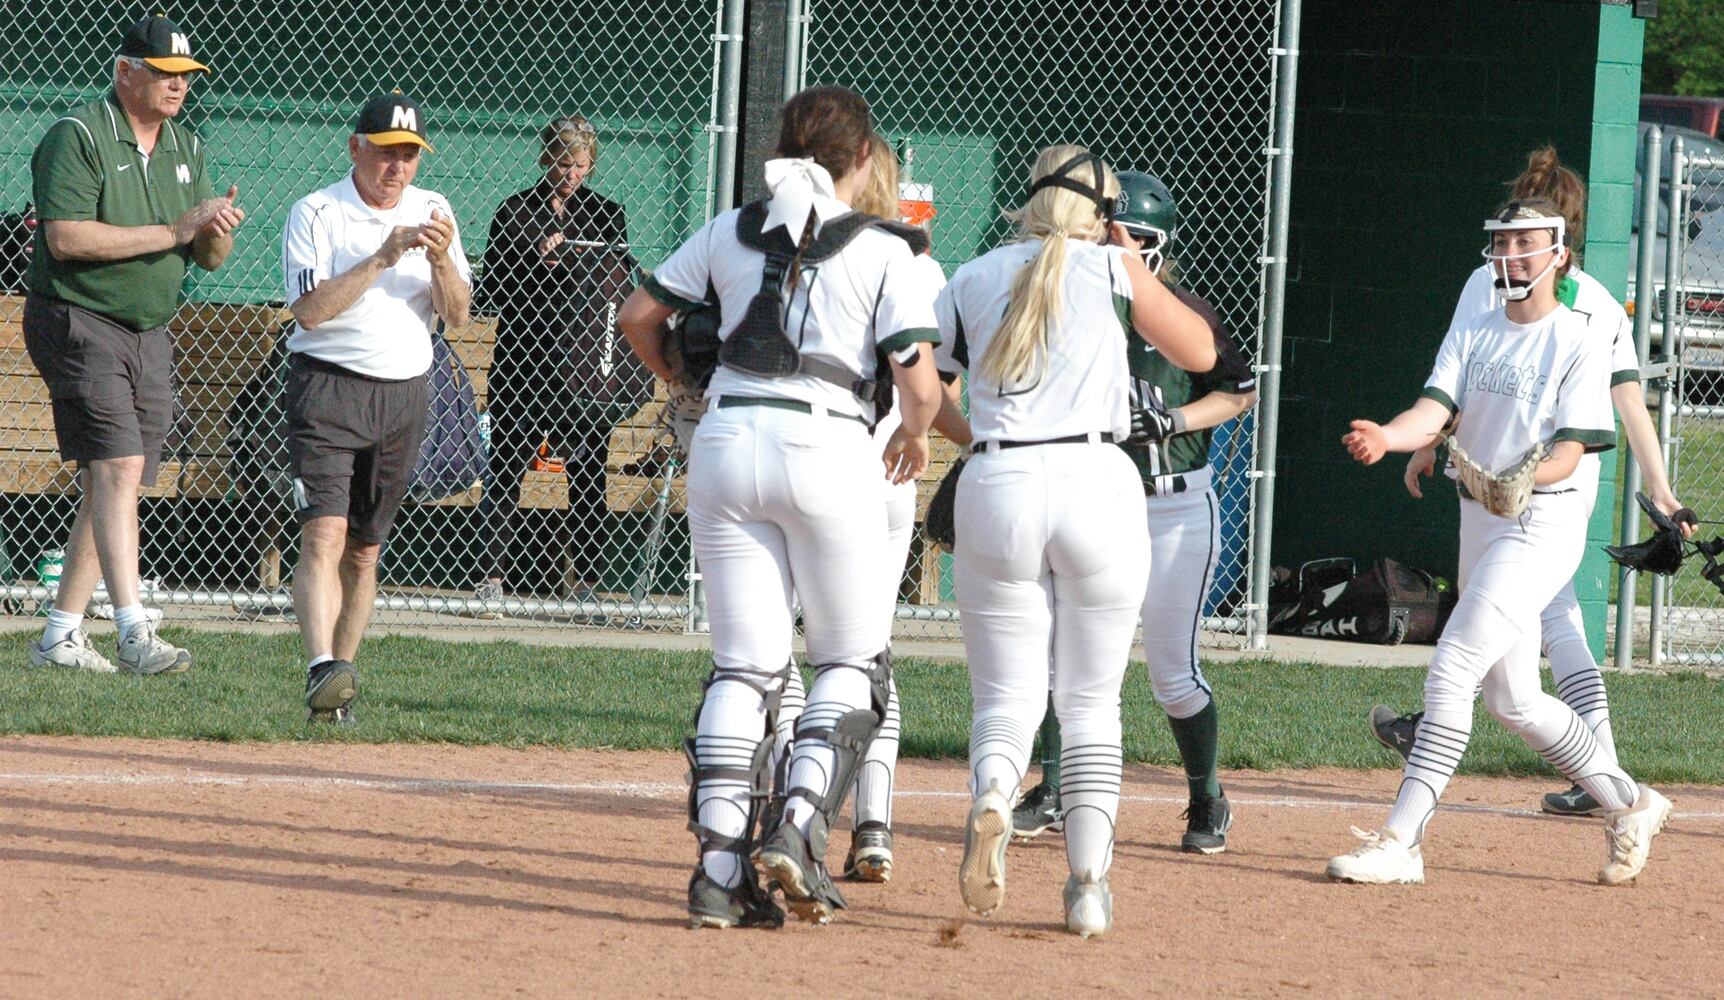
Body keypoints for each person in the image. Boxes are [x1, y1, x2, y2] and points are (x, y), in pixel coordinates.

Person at [616, 86, 943, 929]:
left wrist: (683, 378)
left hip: (725, 441)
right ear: (862, 159)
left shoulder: (732, 226)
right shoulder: (886, 248)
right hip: (828, 444)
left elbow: (639, 315)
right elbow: (914, 376)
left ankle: (719, 875)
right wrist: (914, 433)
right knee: (850, 663)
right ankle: (797, 828)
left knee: (746, 669)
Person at [1328, 199, 1671, 887]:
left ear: (1559, 253)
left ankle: (1402, 840)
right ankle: (1631, 804)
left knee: (1453, 664)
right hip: (1481, 516)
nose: (1512, 254)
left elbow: (1573, 452)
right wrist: (1390, 438)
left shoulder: (1578, 334)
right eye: (1503, 242)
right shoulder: (1478, 321)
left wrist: (1523, 476)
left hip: (1542, 519)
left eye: (1527, 242)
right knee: (1511, 699)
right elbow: (1433, 410)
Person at [935, 146, 1215, 938]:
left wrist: (975, 438)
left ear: (1028, 201)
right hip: (1097, 478)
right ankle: (1088, 886)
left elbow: (925, 390)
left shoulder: (975, 274)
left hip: (999, 482)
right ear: (1105, 213)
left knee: (1006, 696)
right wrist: (1131, 262)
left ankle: (994, 793)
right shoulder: (1114, 270)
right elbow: (1201, 351)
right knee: (1090, 701)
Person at [1011, 171, 1257, 855]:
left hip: (1175, 508)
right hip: (1095, 503)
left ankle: (1207, 798)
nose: (1124, 248)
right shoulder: (1073, 304)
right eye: (1115, 234)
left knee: (1171, 674)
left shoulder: (1179, 311)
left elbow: (1239, 391)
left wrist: (1171, 420)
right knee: (1067, 661)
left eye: (1139, 240)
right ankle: (1055, 788)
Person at [23, 14, 243, 675]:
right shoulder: (79, 135)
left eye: (186, 76)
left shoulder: (186, 145)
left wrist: (214, 227)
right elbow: (66, 238)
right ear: (126, 72)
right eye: (165, 74)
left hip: (151, 328)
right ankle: (133, 632)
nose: (178, 86)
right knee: (117, 469)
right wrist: (176, 230)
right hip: (78, 317)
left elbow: (208, 256)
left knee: (111, 478)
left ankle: (60, 636)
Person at [281, 93, 472, 723]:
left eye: (410, 155)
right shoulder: (317, 211)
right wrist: (384, 256)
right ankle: (318, 669)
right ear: (356, 147)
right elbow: (309, 311)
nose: (399, 168)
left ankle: (339, 683)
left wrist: (441, 258)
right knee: (323, 533)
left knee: (364, 550)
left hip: (404, 393)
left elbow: (457, 314)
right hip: (329, 388)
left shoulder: (435, 210)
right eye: (388, 153)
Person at [826, 133, 949, 884]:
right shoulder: (915, 261)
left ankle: (797, 809)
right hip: (890, 466)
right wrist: (920, 428)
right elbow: (931, 384)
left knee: (782, 651)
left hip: (822, 463)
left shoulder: (798, 244)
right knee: (870, 649)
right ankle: (872, 822)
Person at [474, 115, 642, 606]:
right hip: (524, 358)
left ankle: (586, 581)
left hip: (585, 364)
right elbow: (494, 291)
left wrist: (574, 260)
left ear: (591, 166)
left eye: (580, 166)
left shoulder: (606, 214)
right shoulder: (514, 212)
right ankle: (491, 578)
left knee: (588, 470)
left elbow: (616, 281)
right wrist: (536, 262)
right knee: (507, 466)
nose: (570, 175)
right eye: (562, 163)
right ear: (546, 158)